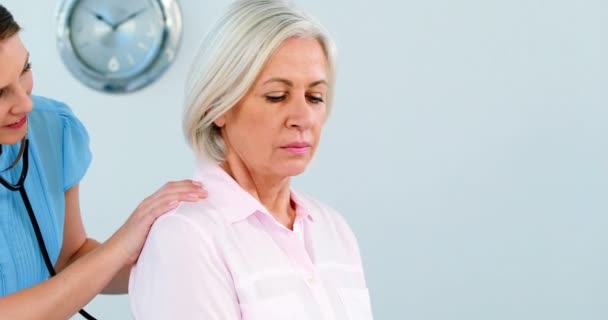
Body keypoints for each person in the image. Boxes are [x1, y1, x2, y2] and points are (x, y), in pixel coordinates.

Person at [129, 0, 374, 319]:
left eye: (315, 97)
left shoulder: (334, 231)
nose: (302, 118)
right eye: (276, 96)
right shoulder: (186, 236)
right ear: (218, 107)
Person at [0, 4, 208, 319]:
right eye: (1, 93)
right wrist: (119, 245)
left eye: (25, 70)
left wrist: (176, 254)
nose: (25, 102)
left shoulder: (51, 128)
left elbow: (70, 258)